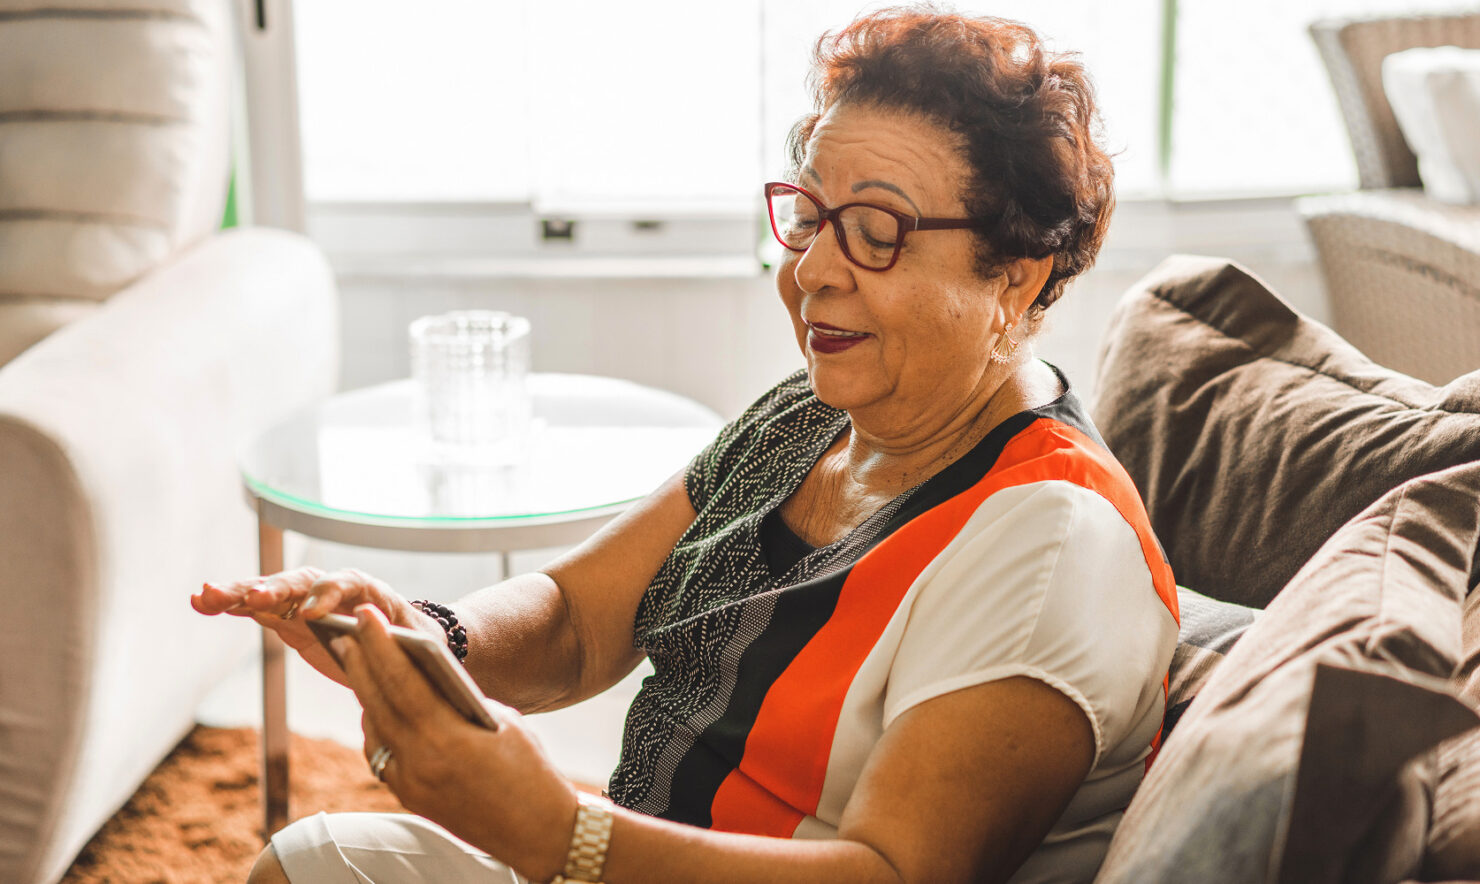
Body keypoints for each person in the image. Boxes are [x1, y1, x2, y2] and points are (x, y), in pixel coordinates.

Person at [193, 7, 1178, 883]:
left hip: (615, 856)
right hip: (627, 855)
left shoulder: (1048, 542)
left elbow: (893, 870)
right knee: (305, 859)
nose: (814, 272)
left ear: (1014, 276)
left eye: (875, 230)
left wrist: (555, 831)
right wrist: (426, 637)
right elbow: (579, 619)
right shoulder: (808, 416)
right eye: (808, 217)